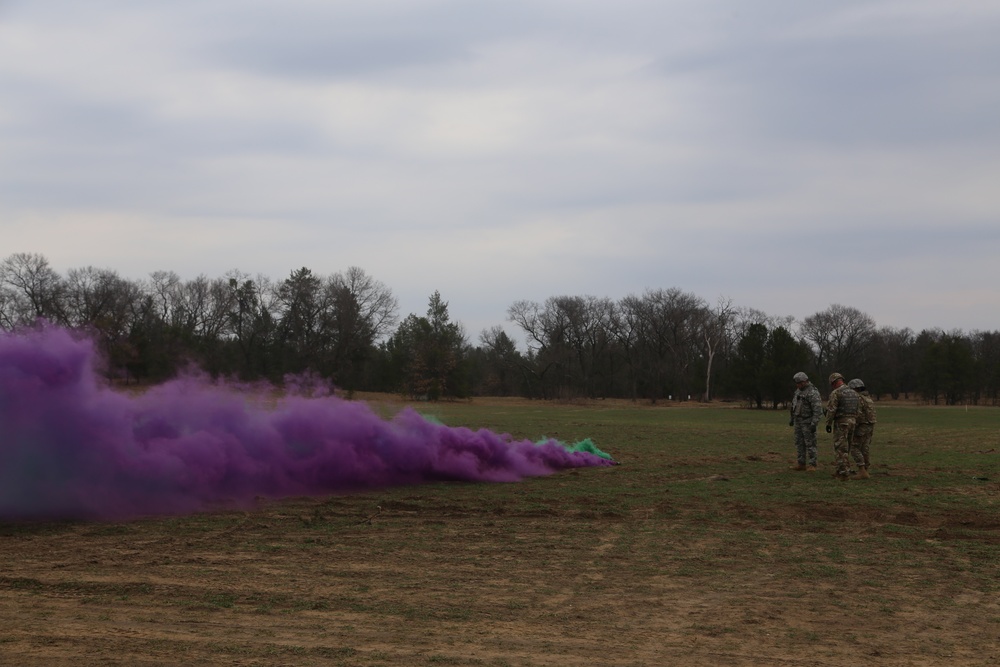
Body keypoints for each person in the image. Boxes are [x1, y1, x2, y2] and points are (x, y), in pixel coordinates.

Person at [825, 372, 860, 480]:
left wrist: (828, 423)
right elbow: (858, 409)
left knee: (840, 448)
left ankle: (843, 473)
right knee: (847, 447)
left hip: (841, 422)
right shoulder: (854, 393)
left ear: (834, 382)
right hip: (852, 422)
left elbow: (831, 410)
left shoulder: (836, 393)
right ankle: (843, 469)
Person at [788, 371, 823, 471]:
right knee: (799, 443)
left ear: (805, 381)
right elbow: (793, 405)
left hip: (808, 421)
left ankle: (813, 464)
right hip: (798, 421)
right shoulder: (798, 391)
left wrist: (814, 423)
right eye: (797, 383)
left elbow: (817, 410)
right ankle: (801, 463)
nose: (798, 385)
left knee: (810, 443)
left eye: (799, 383)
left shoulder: (813, 392)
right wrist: (792, 418)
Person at [848, 378, 877, 479]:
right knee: (865, 448)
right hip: (870, 425)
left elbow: (858, 414)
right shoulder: (868, 398)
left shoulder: (859, 398)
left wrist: (852, 425)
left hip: (862, 426)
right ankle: (865, 470)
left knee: (854, 447)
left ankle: (861, 470)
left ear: (855, 389)